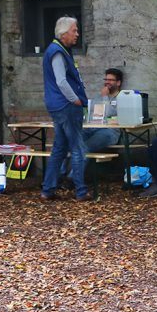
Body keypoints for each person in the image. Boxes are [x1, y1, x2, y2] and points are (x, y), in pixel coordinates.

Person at [40, 17, 90, 201]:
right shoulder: (58, 52)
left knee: (60, 148)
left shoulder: (57, 50)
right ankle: (81, 190)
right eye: (74, 30)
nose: (77, 34)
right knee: (77, 148)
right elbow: (61, 80)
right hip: (66, 106)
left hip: (57, 105)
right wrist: (75, 99)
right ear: (63, 33)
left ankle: (48, 189)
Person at [84, 67, 123, 152]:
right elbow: (91, 115)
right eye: (106, 79)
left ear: (118, 82)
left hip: (109, 131)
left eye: (110, 80)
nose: (107, 82)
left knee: (84, 148)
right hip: (92, 128)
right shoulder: (98, 97)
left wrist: (105, 97)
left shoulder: (122, 98)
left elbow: (109, 114)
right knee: (71, 144)